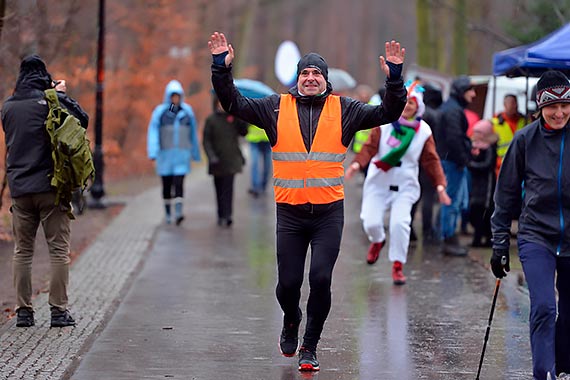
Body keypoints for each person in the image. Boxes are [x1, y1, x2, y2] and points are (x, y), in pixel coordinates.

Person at [208, 31, 407, 372]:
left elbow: (387, 113)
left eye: (317, 74)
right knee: (287, 284)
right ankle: (290, 318)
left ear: (325, 81)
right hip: (290, 214)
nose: (311, 78)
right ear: (296, 79)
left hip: (328, 214)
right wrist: (220, 70)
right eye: (305, 73)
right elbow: (234, 104)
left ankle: (310, 345)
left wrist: (395, 81)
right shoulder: (274, 107)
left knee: (320, 279)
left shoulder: (345, 110)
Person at [490, 70, 570, 380]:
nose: (560, 112)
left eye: (566, 105)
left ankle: (564, 367)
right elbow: (506, 194)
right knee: (544, 308)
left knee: (569, 315)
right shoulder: (525, 140)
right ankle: (543, 372)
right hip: (537, 235)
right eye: (552, 107)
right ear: (540, 107)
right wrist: (499, 244)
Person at [1, 55, 89, 328]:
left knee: (22, 251)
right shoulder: (49, 102)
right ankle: (58, 312)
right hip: (50, 188)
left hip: (19, 189)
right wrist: (60, 96)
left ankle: (24, 312)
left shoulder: (7, 108)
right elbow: (80, 122)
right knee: (58, 251)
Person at [345, 81, 450, 285]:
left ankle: (398, 266)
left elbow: (431, 160)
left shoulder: (424, 131)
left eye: (411, 103)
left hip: (405, 185)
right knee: (371, 222)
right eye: (404, 102)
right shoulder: (384, 123)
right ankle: (377, 240)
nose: (407, 107)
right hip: (378, 182)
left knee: (400, 224)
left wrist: (440, 185)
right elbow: (369, 147)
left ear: (417, 106)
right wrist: (356, 165)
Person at [147, 80, 201, 225]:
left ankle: (178, 212)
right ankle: (168, 212)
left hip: (181, 156)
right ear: (169, 97)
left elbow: (193, 135)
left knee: (179, 184)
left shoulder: (187, 113)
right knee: (166, 186)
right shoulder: (161, 113)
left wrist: (195, 154)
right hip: (165, 156)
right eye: (173, 96)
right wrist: (153, 152)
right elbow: (153, 132)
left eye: (177, 96)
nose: (175, 99)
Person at [435, 75, 476, 256]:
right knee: (450, 202)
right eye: (470, 90)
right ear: (461, 91)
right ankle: (448, 239)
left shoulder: (451, 107)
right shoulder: (453, 110)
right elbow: (454, 138)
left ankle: (447, 237)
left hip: (450, 160)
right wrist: (463, 158)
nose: (474, 94)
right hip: (452, 162)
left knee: (451, 201)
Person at [202, 94, 248, 226]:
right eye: (219, 103)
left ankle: (228, 215)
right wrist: (211, 156)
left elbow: (243, 132)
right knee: (219, 189)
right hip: (217, 162)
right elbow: (206, 141)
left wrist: (242, 118)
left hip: (231, 160)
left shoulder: (233, 119)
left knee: (228, 189)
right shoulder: (211, 120)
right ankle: (221, 214)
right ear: (216, 104)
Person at [467, 119, 497, 247]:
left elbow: (488, 165)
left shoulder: (490, 147)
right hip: (476, 184)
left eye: (479, 132)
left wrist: (471, 165)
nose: (476, 134)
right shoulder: (474, 146)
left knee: (484, 211)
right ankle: (479, 237)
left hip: (486, 185)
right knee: (475, 211)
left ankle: (483, 238)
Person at [491, 94, 526, 174]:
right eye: (512, 103)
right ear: (505, 104)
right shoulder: (496, 122)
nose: (515, 106)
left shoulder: (524, 121)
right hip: (501, 165)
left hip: (521, 163)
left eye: (516, 103)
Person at [245, 123, 271, 197]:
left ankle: (258, 186)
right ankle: (259, 186)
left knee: (257, 163)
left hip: (264, 137)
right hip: (261, 137)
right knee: (259, 163)